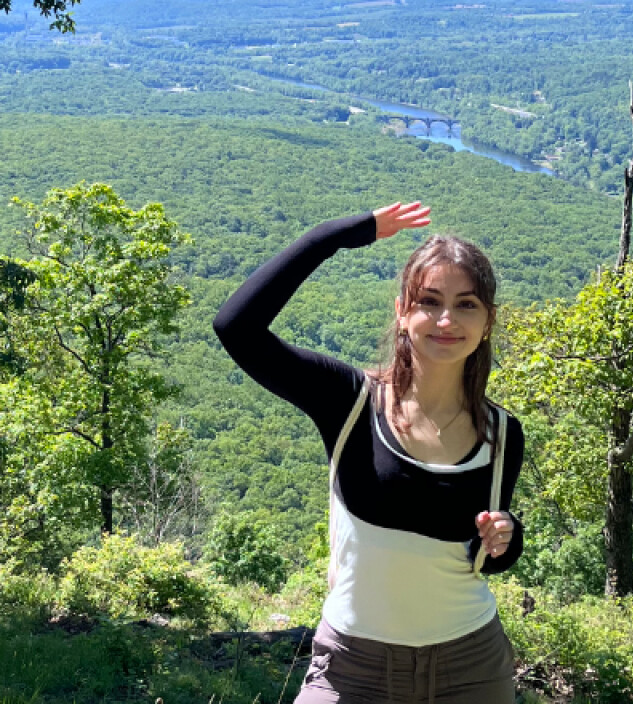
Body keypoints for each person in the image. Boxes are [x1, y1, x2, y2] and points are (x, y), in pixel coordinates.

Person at [213, 201, 525, 704]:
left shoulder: (503, 434)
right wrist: (335, 235)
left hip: (470, 666)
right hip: (353, 667)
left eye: (467, 304)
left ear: (487, 321)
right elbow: (236, 327)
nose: (447, 319)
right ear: (402, 313)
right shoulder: (350, 402)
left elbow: (483, 559)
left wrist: (506, 539)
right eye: (429, 301)